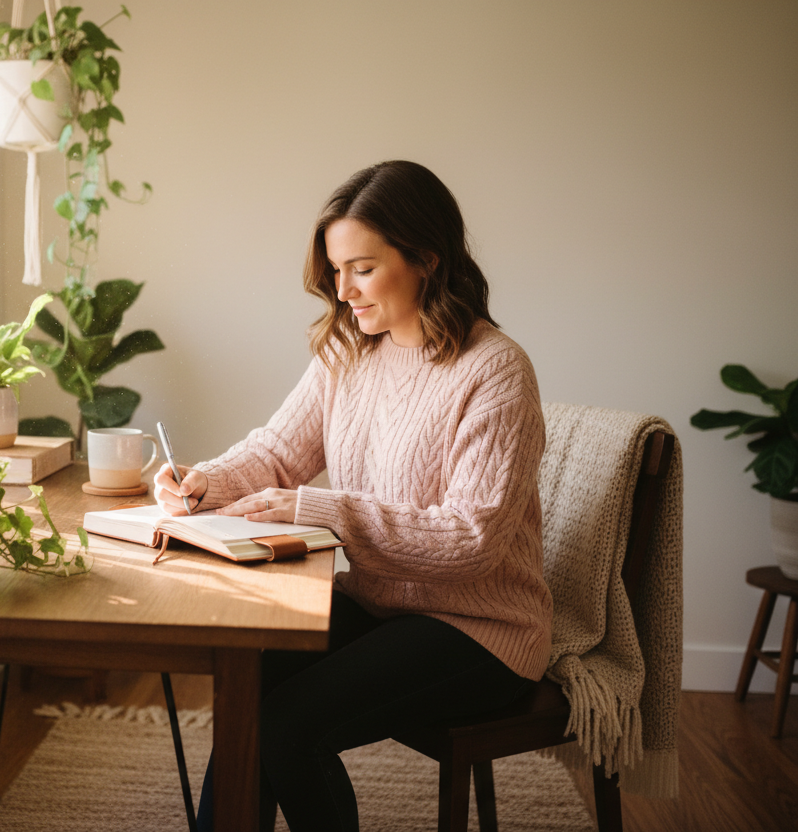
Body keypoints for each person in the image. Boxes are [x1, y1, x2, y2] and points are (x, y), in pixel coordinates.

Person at [154, 160, 553, 832]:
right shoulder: (350, 351)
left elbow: (472, 543)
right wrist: (206, 481)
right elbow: (280, 452)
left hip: (481, 631)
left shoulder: (496, 371)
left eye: (361, 269)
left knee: (286, 728)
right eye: (336, 271)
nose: (343, 292)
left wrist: (321, 510)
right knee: (247, 688)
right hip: (383, 605)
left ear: (426, 259)